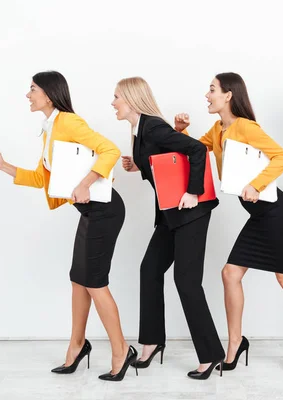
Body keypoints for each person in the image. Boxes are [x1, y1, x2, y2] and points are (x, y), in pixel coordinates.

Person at [0, 71, 137, 381]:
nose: (28, 95)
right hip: (89, 212)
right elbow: (43, 178)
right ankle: (77, 346)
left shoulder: (68, 122)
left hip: (105, 210)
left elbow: (109, 150)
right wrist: (3, 166)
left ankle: (122, 351)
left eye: (32, 89)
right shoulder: (49, 129)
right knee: (78, 279)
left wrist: (85, 182)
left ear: (49, 95)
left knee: (94, 281)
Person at [173, 72, 283, 377]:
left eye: (212, 89)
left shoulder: (245, 127)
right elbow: (195, 152)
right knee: (230, 274)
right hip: (259, 216)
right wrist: (182, 130)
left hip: (276, 213)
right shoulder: (218, 129)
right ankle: (235, 343)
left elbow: (280, 157)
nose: (207, 95)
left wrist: (256, 185)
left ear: (229, 95)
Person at [116, 77, 225, 380]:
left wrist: (192, 192)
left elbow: (196, 151)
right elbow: (163, 159)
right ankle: (151, 341)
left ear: (131, 99)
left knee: (186, 282)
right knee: (149, 270)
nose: (113, 103)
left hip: (191, 212)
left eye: (116, 98)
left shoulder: (153, 126)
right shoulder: (140, 131)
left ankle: (212, 354)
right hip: (169, 214)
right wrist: (137, 166)